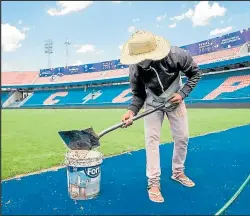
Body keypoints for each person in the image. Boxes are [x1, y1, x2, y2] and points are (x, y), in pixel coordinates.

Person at [120, 30, 203, 203]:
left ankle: (178, 172)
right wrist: (131, 111)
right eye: (138, 58)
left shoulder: (177, 55)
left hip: (176, 100)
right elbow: (138, 95)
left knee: (182, 137)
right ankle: (153, 182)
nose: (141, 62)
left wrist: (182, 94)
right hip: (152, 102)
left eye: (145, 57)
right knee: (151, 141)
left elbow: (196, 74)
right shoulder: (134, 69)